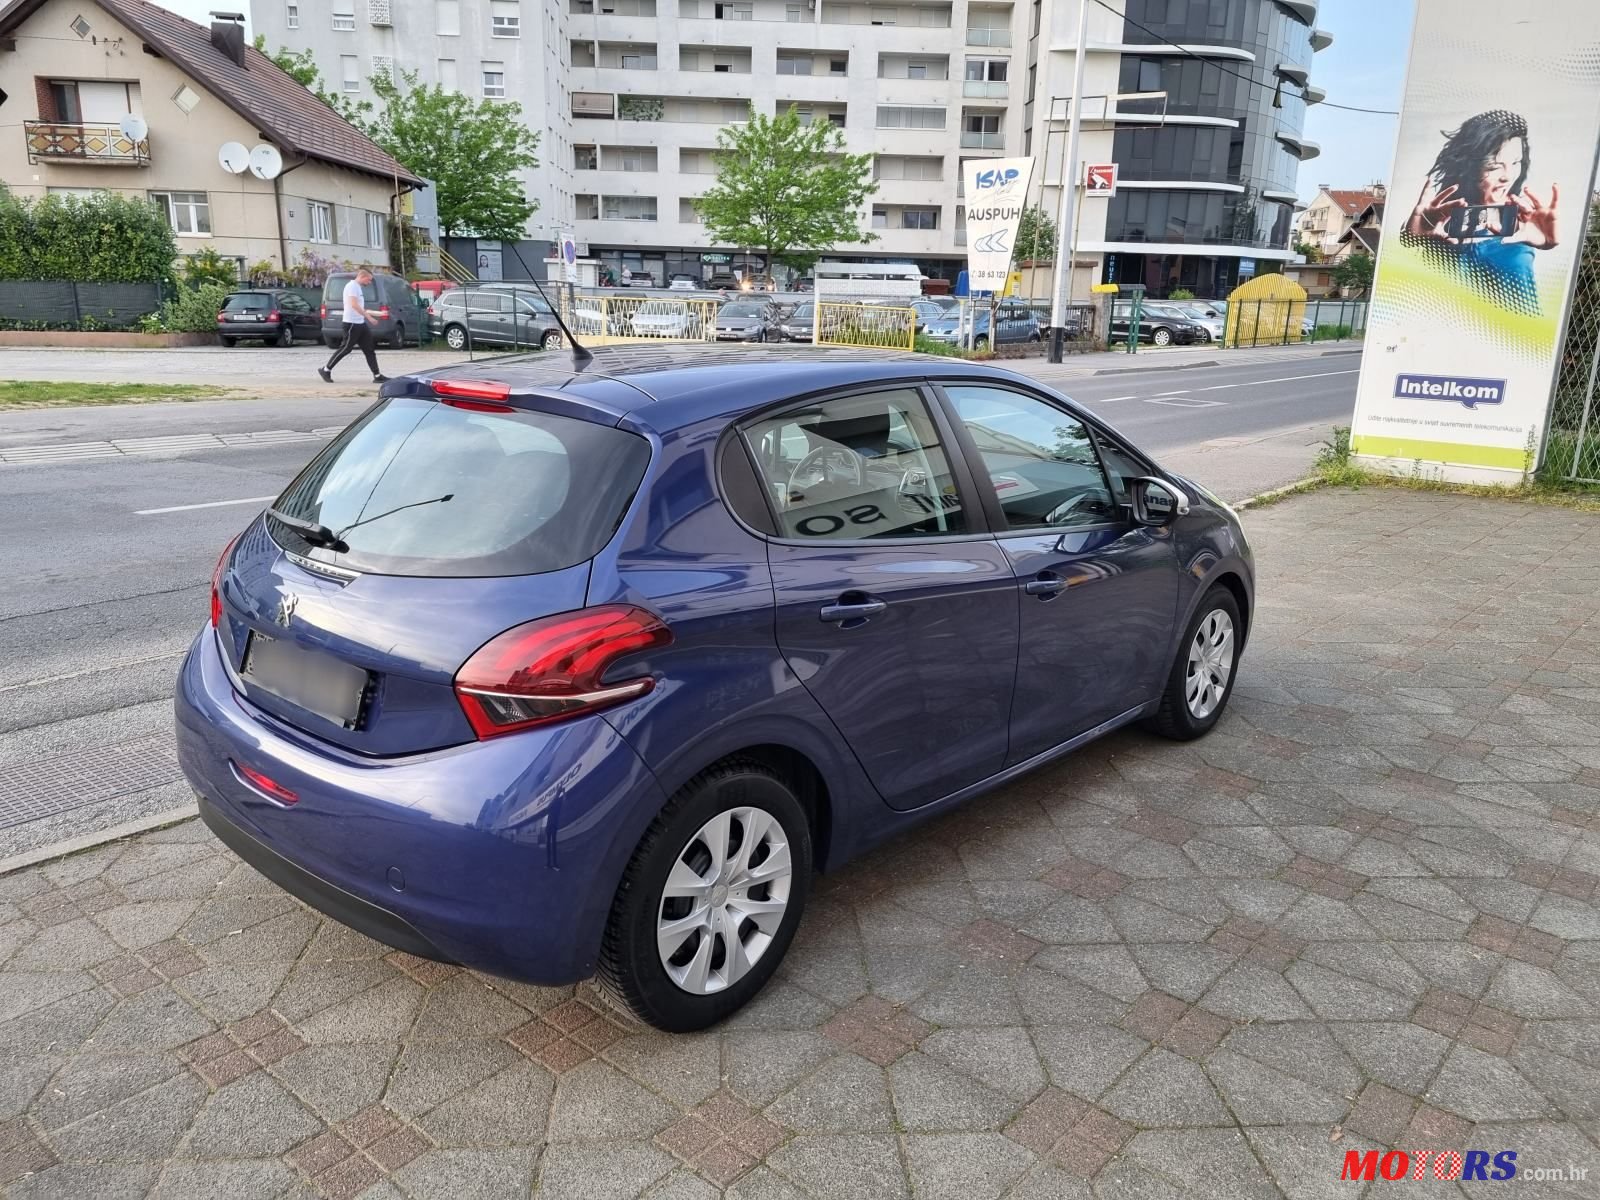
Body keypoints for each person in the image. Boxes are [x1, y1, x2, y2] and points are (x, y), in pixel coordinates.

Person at [1404, 110, 1559, 314]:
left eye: (1516, 163)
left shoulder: (1524, 221)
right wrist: (1410, 238)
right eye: (1494, 166)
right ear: (1470, 166)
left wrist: (1546, 242)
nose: (1508, 176)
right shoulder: (1442, 223)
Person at [319, 265, 388, 384]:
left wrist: (378, 313)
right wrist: (369, 318)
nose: (369, 282)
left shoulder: (358, 288)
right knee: (346, 348)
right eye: (369, 279)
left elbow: (360, 307)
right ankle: (326, 369)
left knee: (369, 349)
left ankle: (377, 375)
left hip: (360, 323)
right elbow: (354, 305)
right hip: (351, 323)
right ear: (362, 276)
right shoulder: (351, 286)